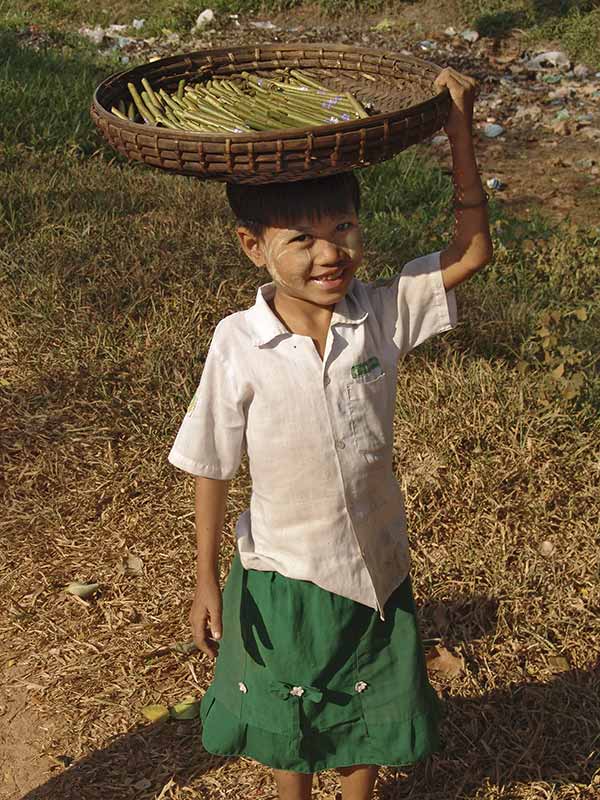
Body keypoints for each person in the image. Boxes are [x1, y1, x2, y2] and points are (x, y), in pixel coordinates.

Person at [168, 67, 492, 800]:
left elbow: (471, 253)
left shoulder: (380, 313)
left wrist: (459, 132)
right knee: (294, 715)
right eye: (302, 239)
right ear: (253, 247)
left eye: (343, 228)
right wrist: (205, 576)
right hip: (285, 571)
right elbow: (212, 463)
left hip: (375, 565)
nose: (329, 255)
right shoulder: (238, 342)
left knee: (368, 711)